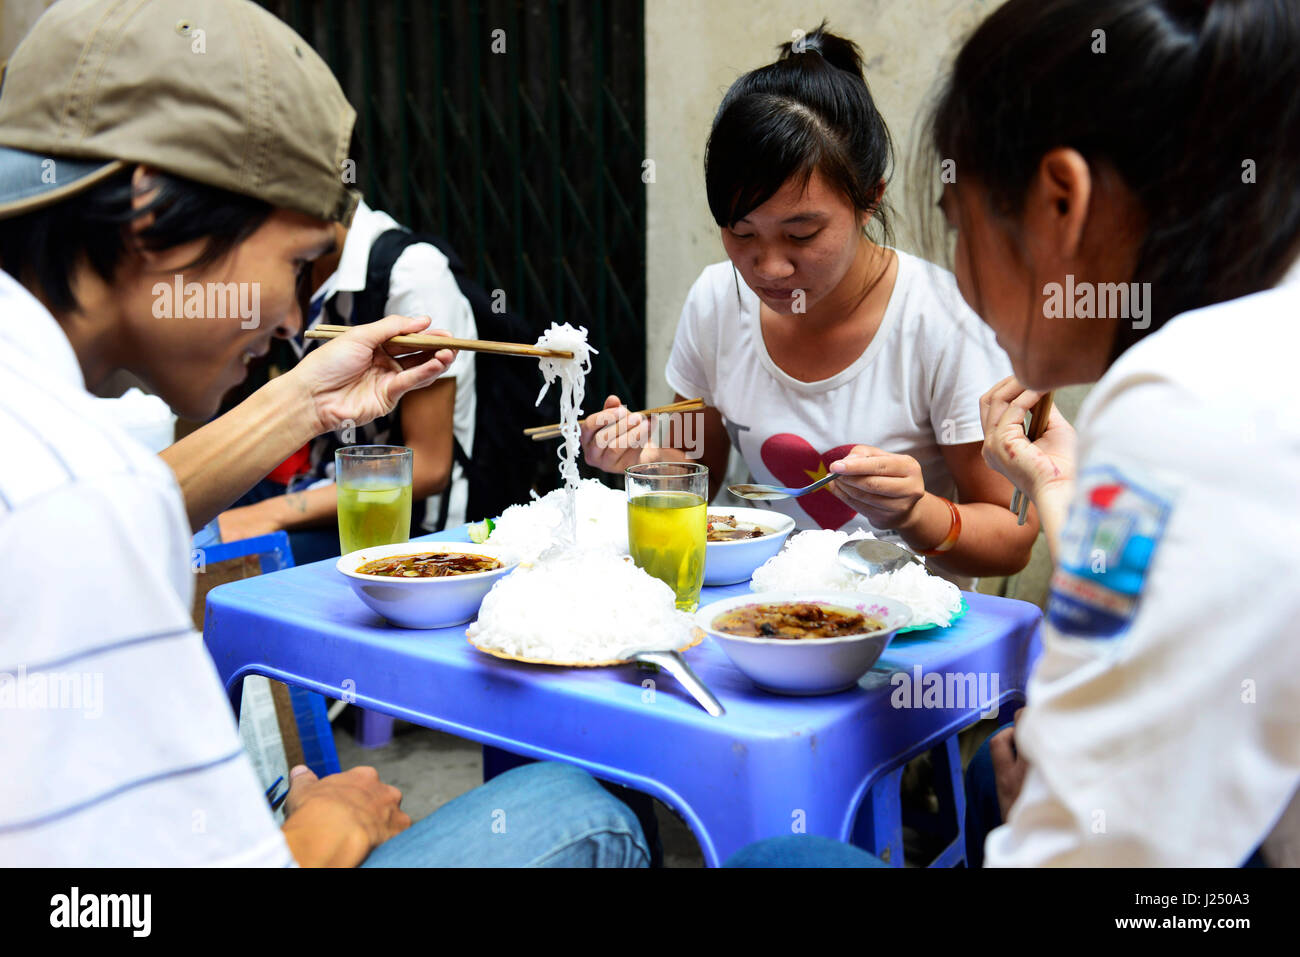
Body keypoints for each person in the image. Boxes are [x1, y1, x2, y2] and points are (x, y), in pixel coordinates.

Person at [0, 0, 646, 868]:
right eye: (298, 262)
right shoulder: (70, 492)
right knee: (575, 809)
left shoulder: (49, 428)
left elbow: (134, 500)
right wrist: (322, 831)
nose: (295, 319)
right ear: (153, 214)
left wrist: (306, 402)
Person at [728, 0, 1300, 867]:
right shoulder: (1243, 353)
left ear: (1060, 201)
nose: (773, 267)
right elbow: (1142, 594)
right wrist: (1059, 486)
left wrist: (1041, 791)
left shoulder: (1174, 404)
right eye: (743, 236)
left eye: (958, 225)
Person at [581, 24, 1037, 586]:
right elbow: (696, 470)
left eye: (801, 234)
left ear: (870, 198)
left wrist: (916, 513)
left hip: (901, 642)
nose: (769, 268)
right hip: (754, 620)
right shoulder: (716, 300)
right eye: (741, 233)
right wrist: (642, 463)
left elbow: (1013, 535)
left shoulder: (944, 320)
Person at [214, 196, 478, 565]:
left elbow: (431, 468)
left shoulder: (413, 274)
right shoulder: (299, 264)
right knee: (198, 529)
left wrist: (269, 514)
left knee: (229, 562)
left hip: (404, 523)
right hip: (319, 487)